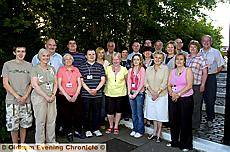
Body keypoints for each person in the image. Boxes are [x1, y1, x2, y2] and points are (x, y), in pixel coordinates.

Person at [2, 46, 33, 143]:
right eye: (18, 51)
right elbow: (5, 84)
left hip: (26, 100)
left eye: (23, 51)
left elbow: (32, 83)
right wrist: (17, 96)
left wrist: (25, 96)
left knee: (24, 125)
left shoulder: (30, 66)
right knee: (13, 126)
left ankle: (22, 145)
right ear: (14, 53)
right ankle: (15, 146)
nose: (21, 53)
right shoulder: (7, 65)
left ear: (25, 53)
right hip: (12, 101)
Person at [167, 53, 194, 151]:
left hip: (185, 99)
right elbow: (169, 84)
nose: (179, 61)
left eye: (181, 59)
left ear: (184, 61)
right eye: (177, 59)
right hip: (173, 98)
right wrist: (171, 93)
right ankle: (174, 141)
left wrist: (178, 94)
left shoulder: (188, 70)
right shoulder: (172, 71)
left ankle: (186, 144)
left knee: (185, 121)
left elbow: (189, 85)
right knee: (174, 121)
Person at [31, 48, 58, 143]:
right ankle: (40, 144)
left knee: (51, 120)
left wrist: (53, 95)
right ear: (39, 57)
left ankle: (51, 141)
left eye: (47, 56)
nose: (46, 57)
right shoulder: (34, 68)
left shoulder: (52, 68)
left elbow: (56, 83)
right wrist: (46, 97)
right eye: (43, 55)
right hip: (39, 97)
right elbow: (34, 85)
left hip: (52, 97)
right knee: (40, 121)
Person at [200, 35, 225, 127]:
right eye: (204, 41)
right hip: (199, 77)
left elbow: (221, 66)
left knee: (210, 99)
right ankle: (197, 119)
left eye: (208, 41)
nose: (206, 42)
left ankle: (210, 118)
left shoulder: (216, 52)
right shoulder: (199, 52)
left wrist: (213, 73)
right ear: (201, 42)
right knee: (198, 99)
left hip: (210, 78)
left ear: (211, 42)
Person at [79, 49, 106, 138]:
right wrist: (89, 90)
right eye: (89, 54)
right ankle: (87, 130)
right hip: (86, 94)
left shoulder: (100, 66)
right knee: (86, 112)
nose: (91, 56)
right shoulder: (81, 67)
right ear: (86, 56)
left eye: (93, 54)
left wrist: (96, 90)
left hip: (97, 94)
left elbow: (103, 79)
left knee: (97, 112)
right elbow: (81, 81)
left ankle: (95, 129)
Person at [57, 54, 82, 142]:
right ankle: (68, 133)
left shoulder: (76, 69)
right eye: (66, 59)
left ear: (72, 60)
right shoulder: (61, 70)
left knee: (77, 115)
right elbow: (59, 85)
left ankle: (77, 131)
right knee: (66, 115)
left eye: (70, 59)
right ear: (64, 61)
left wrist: (75, 95)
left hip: (76, 96)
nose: (68, 60)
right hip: (64, 96)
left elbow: (79, 84)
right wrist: (67, 96)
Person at [144, 52, 169, 142]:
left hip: (161, 95)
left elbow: (165, 82)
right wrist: (152, 92)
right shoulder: (148, 69)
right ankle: (154, 132)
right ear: (153, 58)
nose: (157, 59)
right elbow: (145, 82)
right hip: (150, 95)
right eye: (156, 57)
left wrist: (157, 93)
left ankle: (159, 133)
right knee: (153, 114)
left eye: (160, 58)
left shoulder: (165, 68)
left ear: (162, 59)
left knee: (160, 114)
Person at [104, 52, 128, 135]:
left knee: (119, 110)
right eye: (114, 59)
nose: (116, 61)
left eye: (117, 59)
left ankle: (116, 126)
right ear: (112, 60)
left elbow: (127, 81)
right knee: (110, 111)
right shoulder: (107, 68)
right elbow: (105, 80)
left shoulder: (124, 69)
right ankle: (110, 126)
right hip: (109, 93)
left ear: (120, 60)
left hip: (121, 93)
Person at [186, 40, 207, 130]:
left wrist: (203, 84)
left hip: (196, 85)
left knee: (196, 106)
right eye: (191, 47)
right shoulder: (186, 57)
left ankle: (194, 125)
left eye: (195, 47)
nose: (193, 49)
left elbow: (205, 73)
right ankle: (186, 122)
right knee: (187, 105)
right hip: (185, 86)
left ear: (198, 48)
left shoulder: (201, 59)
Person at [127, 54, 145, 138]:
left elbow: (142, 83)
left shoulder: (142, 69)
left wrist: (135, 94)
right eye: (134, 59)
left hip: (139, 94)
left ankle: (140, 130)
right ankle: (135, 129)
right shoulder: (130, 70)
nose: (136, 61)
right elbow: (129, 82)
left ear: (140, 60)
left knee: (139, 113)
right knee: (133, 113)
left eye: (138, 59)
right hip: (131, 93)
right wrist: (129, 93)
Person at [96, 47, 110, 129]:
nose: (101, 54)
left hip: (104, 86)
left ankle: (101, 122)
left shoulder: (106, 63)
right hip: (94, 86)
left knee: (103, 105)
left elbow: (108, 75)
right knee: (95, 105)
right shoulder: (93, 62)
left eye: (102, 52)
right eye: (99, 52)